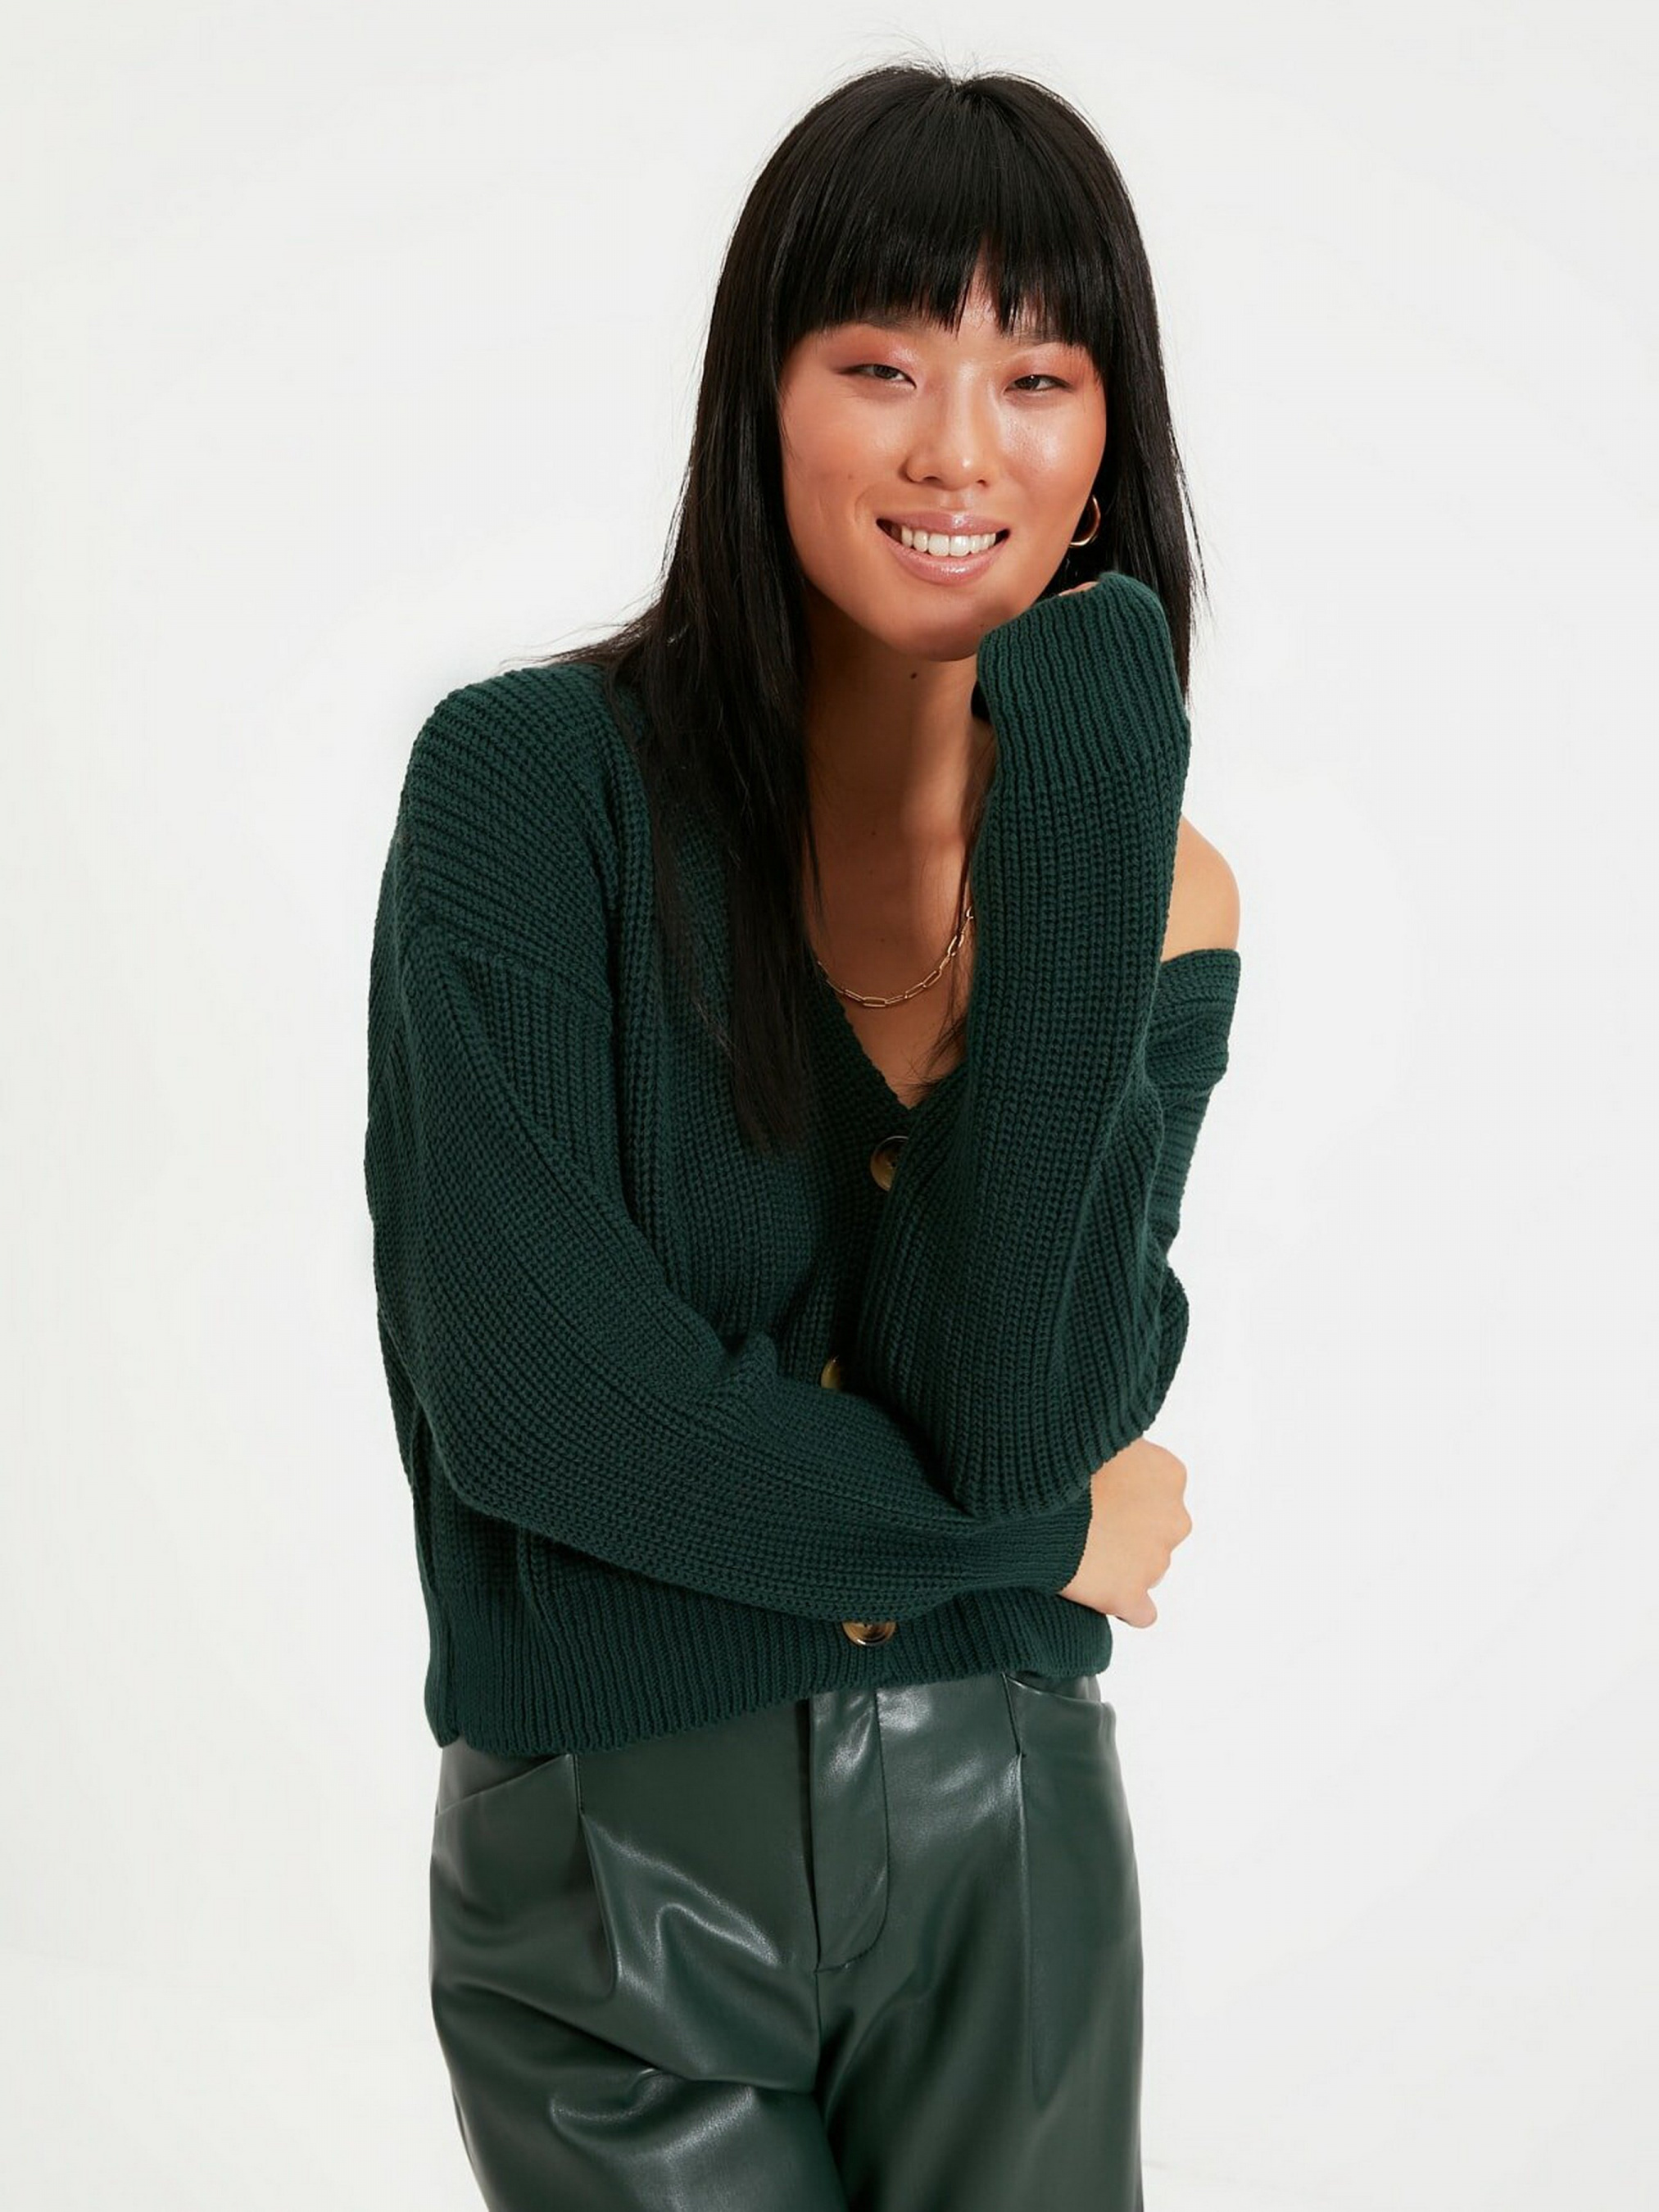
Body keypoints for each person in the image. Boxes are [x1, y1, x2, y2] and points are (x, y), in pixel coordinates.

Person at [363, 57, 1243, 2212]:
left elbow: (1008, 1402)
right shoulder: (530, 790)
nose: (958, 448)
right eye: (880, 364)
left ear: (1106, 447)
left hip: (1006, 1839)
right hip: (613, 1858)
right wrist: (1027, 1547)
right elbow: (548, 1415)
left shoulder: (1156, 885)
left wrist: (1086, 816)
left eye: (1037, 377)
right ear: (757, 401)